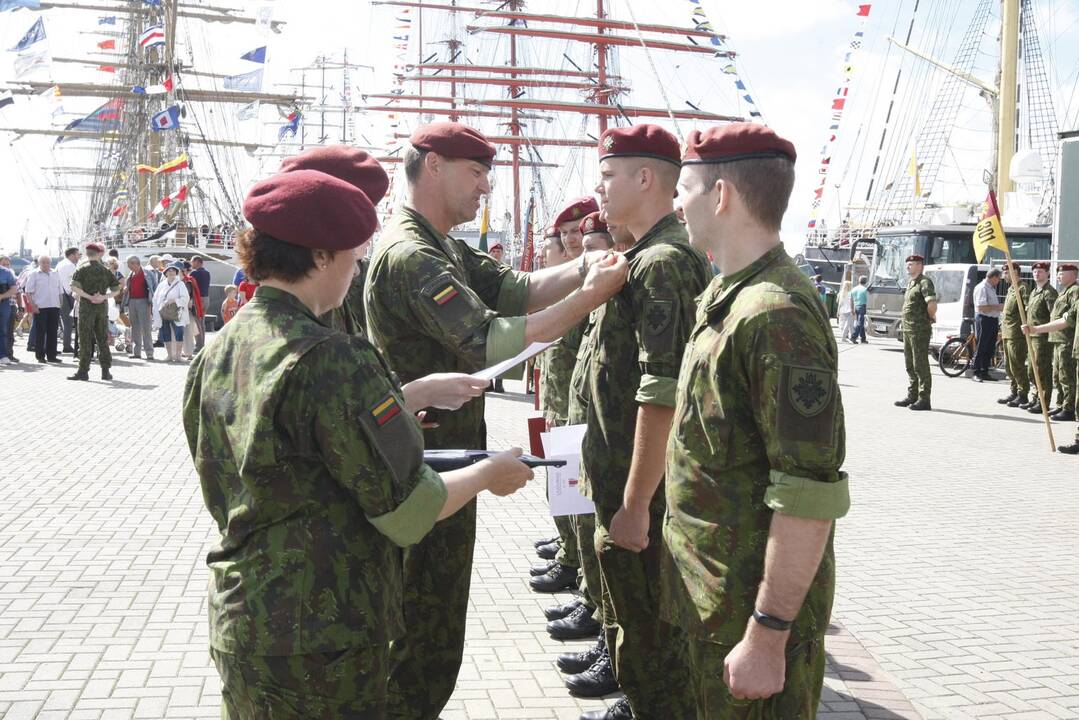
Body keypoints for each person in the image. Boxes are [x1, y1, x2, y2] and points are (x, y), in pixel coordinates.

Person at [183, 168, 534, 719]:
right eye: (353, 254)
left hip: (243, 618)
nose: (356, 268)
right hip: (326, 637)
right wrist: (490, 472)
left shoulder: (219, 350)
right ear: (321, 256)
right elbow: (410, 511)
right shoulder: (335, 358)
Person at [364, 121, 628, 720]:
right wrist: (591, 295)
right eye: (475, 172)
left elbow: (515, 289)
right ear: (432, 165)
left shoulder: (441, 245)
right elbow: (489, 339)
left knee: (433, 624)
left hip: (440, 458)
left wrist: (586, 270)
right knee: (421, 633)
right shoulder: (411, 256)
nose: (485, 186)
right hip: (423, 466)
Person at [666, 121, 849, 720]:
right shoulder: (729, 295)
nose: (676, 201)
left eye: (684, 187)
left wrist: (768, 635)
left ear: (721, 196)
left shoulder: (775, 314)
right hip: (712, 603)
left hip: (745, 616)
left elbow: (807, 492)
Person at [572, 123, 711, 720]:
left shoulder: (661, 264)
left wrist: (633, 502)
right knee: (636, 626)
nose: (599, 189)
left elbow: (663, 395)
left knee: (654, 637)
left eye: (608, 175)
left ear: (646, 178)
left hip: (643, 497)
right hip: (622, 483)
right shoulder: (638, 257)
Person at [1025, 263, 1078, 422]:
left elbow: (1067, 320)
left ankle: (1068, 408)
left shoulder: (1074, 291)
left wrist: (1036, 329)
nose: (1059, 276)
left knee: (1066, 375)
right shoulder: (1064, 292)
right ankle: (1061, 404)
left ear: (1073, 274)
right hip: (1057, 339)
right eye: (1059, 274)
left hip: (1066, 340)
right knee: (1058, 375)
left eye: (1063, 273)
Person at [68, 243, 121, 381]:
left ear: (87, 254)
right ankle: (105, 370)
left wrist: (89, 296)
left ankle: (83, 371)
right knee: (102, 338)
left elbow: (74, 287)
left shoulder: (82, 269)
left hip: (86, 307)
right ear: (98, 254)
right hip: (101, 307)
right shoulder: (105, 270)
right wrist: (103, 297)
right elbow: (117, 289)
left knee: (85, 338)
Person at [894, 255, 937, 411]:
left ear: (919, 265)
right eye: (907, 264)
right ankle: (912, 395)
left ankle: (924, 399)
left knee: (920, 365)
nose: (907, 267)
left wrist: (930, 318)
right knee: (910, 364)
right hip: (908, 329)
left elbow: (931, 304)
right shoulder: (911, 283)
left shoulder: (924, 282)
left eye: (910, 264)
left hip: (919, 330)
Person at [1020, 262, 1058, 412]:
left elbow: (1054, 316)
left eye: (1040, 271)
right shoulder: (1035, 291)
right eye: (1035, 271)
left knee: (1041, 369)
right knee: (1032, 370)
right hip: (1032, 337)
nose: (1037, 274)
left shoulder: (1049, 293)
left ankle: (1044, 402)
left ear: (1047, 274)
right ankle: (1035, 398)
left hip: (1042, 338)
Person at [998, 263, 1030, 407]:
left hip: (1016, 334)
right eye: (1003, 273)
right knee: (1008, 365)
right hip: (1007, 332)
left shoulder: (1022, 288)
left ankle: (1023, 394)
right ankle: (1014, 391)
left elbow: (1028, 309)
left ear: (1015, 272)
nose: (1004, 275)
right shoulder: (1011, 288)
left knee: (1017, 364)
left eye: (1006, 272)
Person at [23, 254, 64, 364]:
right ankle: (40, 356)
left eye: (48, 262)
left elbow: (60, 290)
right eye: (43, 262)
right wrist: (33, 306)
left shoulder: (55, 273)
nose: (46, 264)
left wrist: (60, 304)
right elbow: (28, 292)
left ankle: (52, 355)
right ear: (39, 263)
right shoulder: (34, 274)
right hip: (40, 307)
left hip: (54, 306)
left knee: (53, 332)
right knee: (40, 332)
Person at [152, 263, 190, 363]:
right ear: (165, 273)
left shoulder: (180, 284)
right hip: (164, 313)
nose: (171, 272)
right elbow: (155, 299)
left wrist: (174, 300)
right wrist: (158, 308)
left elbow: (185, 298)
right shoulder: (161, 285)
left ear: (176, 273)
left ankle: (178, 355)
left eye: (173, 270)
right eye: (169, 270)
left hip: (176, 312)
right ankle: (169, 355)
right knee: (165, 333)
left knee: (179, 332)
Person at [122, 255, 158, 360]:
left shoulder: (148, 273)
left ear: (135, 263)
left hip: (144, 301)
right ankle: (136, 352)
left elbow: (154, 287)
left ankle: (149, 352)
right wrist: (126, 288)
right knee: (135, 327)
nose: (128, 267)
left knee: (146, 327)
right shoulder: (131, 274)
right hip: (132, 301)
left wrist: (152, 302)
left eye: (129, 264)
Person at [972, 268, 1004, 382]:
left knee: (990, 347)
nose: (999, 281)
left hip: (992, 319)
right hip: (984, 319)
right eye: (999, 278)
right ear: (994, 277)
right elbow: (982, 307)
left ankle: (985, 371)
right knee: (981, 346)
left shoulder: (990, 288)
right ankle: (976, 372)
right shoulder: (982, 288)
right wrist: (998, 307)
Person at [56, 247, 80, 354]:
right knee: (68, 322)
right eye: (77, 254)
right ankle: (66, 345)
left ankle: (65, 344)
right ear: (72, 255)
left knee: (62, 322)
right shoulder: (70, 265)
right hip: (65, 296)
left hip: (59, 294)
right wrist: (74, 296)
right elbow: (71, 284)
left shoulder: (60, 264)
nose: (78, 257)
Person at [188, 256, 212, 352]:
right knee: (202, 323)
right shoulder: (207, 273)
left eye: (192, 262)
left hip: (198, 300)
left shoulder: (194, 273)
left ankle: (199, 346)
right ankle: (202, 344)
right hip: (206, 299)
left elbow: (191, 285)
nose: (191, 264)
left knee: (197, 323)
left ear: (197, 262)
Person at [0, 256, 18, 366]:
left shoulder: (6, 272)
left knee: (3, 331)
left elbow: (14, 289)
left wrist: (2, 296)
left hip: (4, 305)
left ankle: (2, 355)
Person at [850, 275, 869, 343]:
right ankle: (853, 337)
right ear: (866, 281)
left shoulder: (854, 289)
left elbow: (851, 300)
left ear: (859, 281)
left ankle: (863, 338)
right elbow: (868, 300)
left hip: (856, 306)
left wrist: (852, 308)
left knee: (861, 323)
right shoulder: (865, 290)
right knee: (860, 323)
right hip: (862, 306)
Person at [836, 276, 854, 343]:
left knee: (844, 325)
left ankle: (851, 336)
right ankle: (844, 338)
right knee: (848, 325)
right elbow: (852, 303)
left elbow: (839, 303)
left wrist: (838, 311)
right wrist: (853, 310)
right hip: (849, 311)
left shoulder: (840, 293)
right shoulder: (850, 293)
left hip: (842, 311)